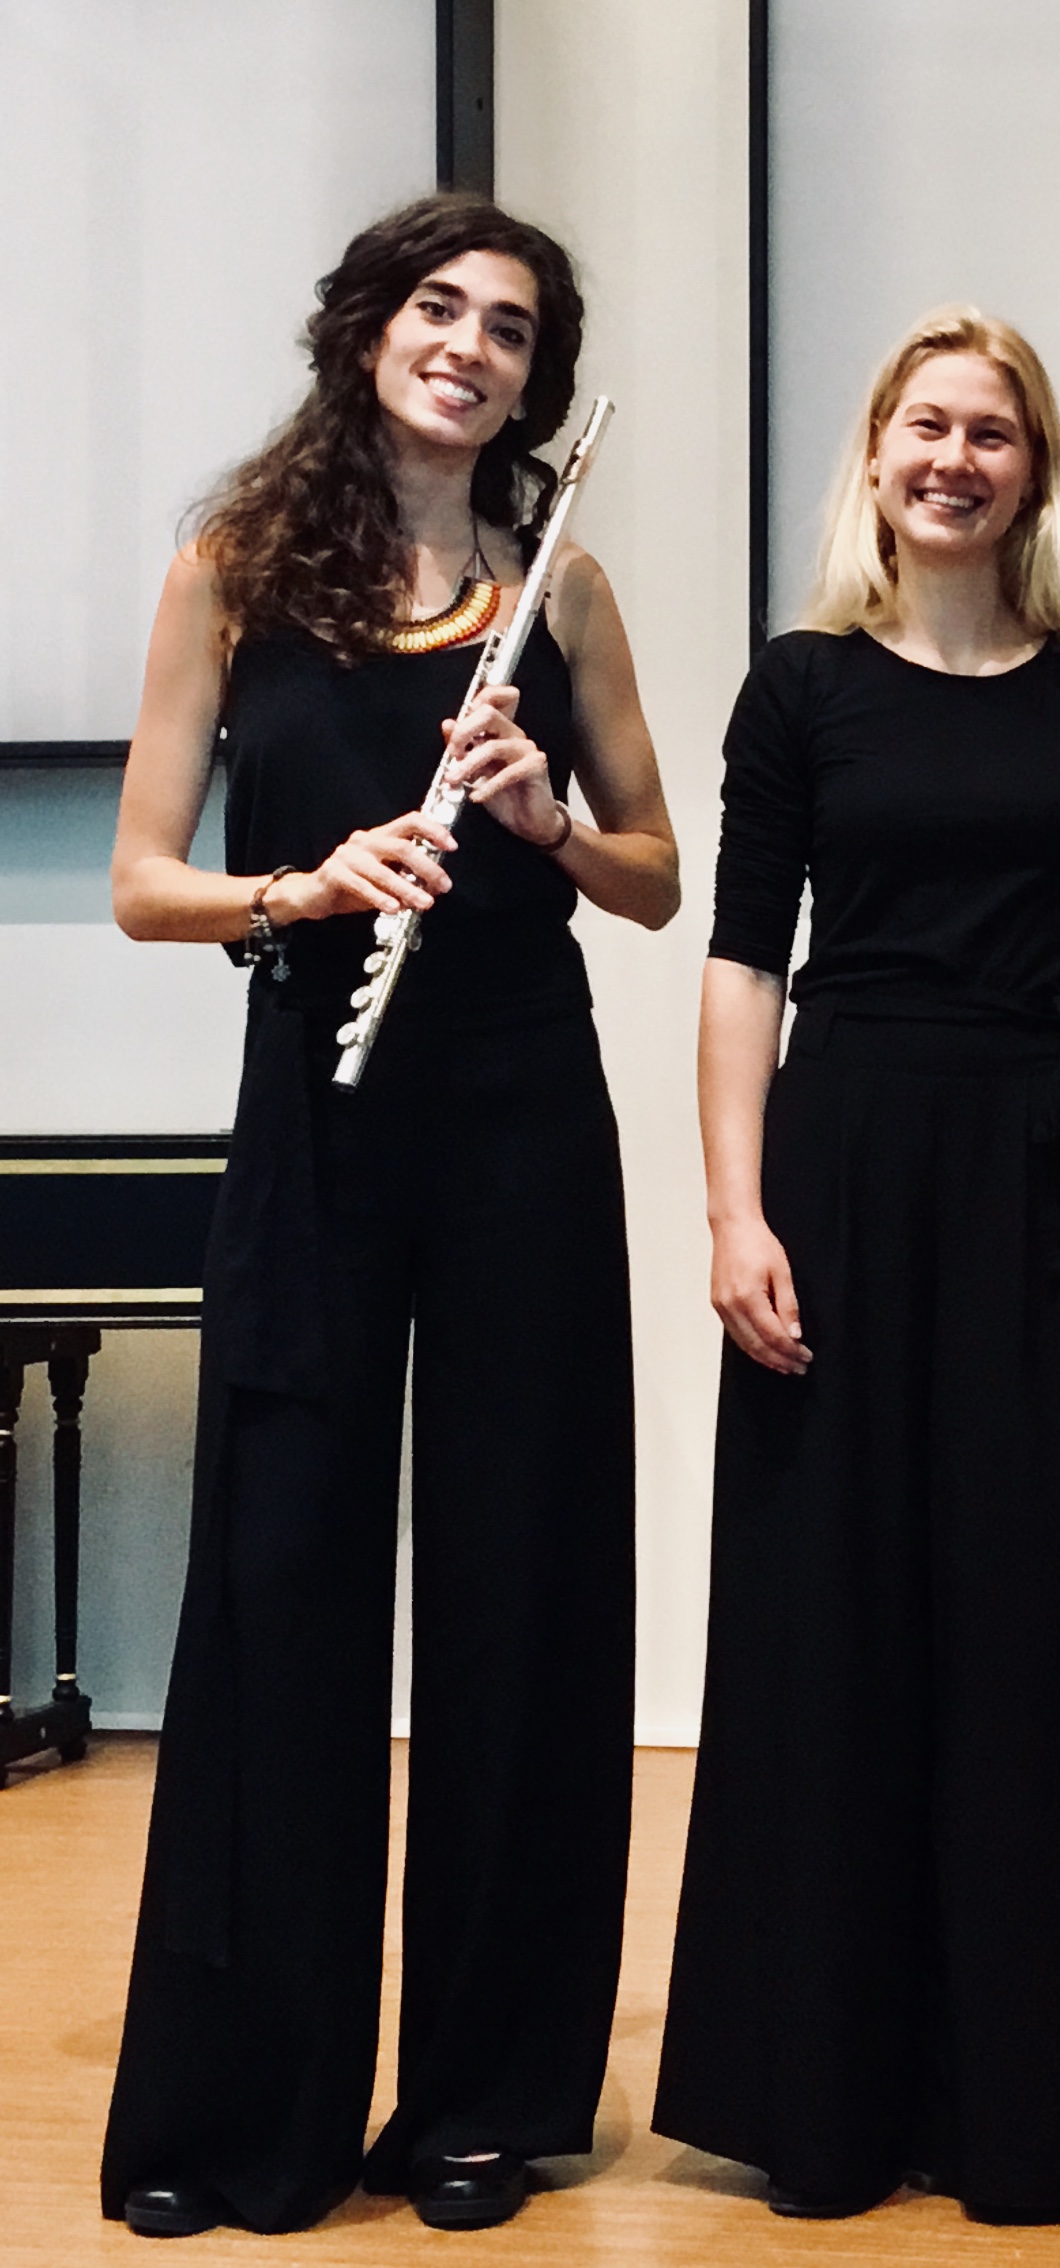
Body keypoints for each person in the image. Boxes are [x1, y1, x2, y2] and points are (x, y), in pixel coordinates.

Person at [99, 194, 679, 2239]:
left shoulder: (566, 593)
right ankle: (242, 2112)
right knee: (285, 1587)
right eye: (441, 307)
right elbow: (145, 877)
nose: (472, 346)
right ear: (367, 330)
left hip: (522, 1101)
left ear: (533, 379)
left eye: (511, 327)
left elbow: (655, 877)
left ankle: (480, 2107)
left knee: (522, 1593)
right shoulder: (232, 570)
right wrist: (307, 888)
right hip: (320, 1104)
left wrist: (537, 819)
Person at [651, 307, 1060, 2225]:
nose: (956, 456)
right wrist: (732, 1211)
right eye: (926, 424)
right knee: (832, 1621)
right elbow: (741, 962)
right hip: (845, 1165)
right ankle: (828, 2102)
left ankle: (1018, 2107)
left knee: (1031, 1629)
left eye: (996, 431)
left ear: (1035, 473)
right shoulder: (799, 688)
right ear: (876, 454)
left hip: (1039, 1170)